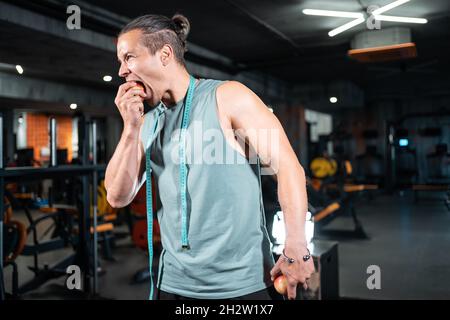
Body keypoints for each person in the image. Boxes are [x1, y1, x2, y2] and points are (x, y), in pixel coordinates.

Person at [105, 13, 314, 300]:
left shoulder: (228, 97)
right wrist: (131, 129)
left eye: (128, 57)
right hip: (173, 284)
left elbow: (289, 168)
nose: (121, 71)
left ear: (165, 54)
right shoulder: (149, 123)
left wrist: (297, 247)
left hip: (241, 285)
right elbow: (117, 197)